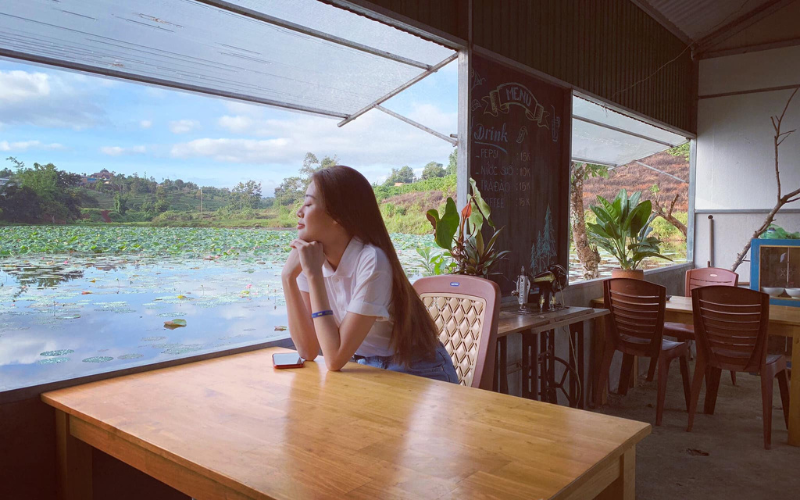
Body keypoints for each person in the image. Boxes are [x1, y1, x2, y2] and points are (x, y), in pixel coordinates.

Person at [281, 165, 458, 383]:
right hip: (363, 366)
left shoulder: (372, 260)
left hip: (418, 369)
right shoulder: (310, 258)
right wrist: (288, 278)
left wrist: (314, 276)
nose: (299, 212)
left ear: (338, 215)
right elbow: (307, 351)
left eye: (308, 204)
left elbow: (334, 359)